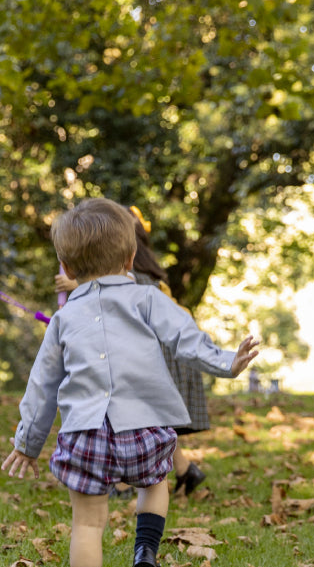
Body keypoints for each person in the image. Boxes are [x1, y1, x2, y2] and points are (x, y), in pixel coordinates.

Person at [2, 197, 259, 567]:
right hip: (146, 427)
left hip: (85, 433)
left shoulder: (64, 318)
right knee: (156, 484)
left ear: (65, 264)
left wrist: (27, 443)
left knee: (87, 523)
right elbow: (185, 338)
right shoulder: (147, 298)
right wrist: (226, 363)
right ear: (131, 256)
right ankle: (145, 551)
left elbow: (42, 384)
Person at [55, 208, 211, 496]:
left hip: (156, 353)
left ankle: (127, 482)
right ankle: (185, 470)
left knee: (131, 414)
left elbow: (116, 295)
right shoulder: (150, 271)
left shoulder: (134, 277)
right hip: (163, 351)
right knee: (151, 422)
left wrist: (76, 285)